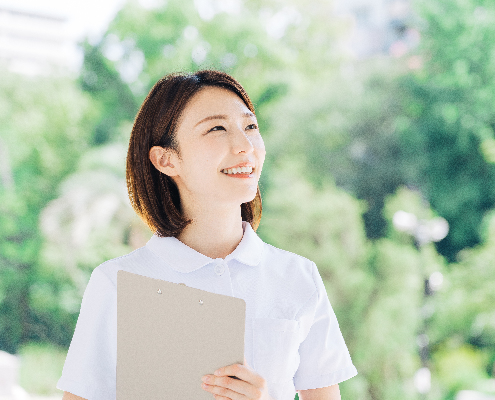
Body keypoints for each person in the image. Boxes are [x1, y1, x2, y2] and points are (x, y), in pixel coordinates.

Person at [57, 70, 357, 400]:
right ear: (166, 159)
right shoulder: (117, 284)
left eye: (250, 127)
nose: (245, 146)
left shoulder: (298, 277)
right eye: (217, 128)